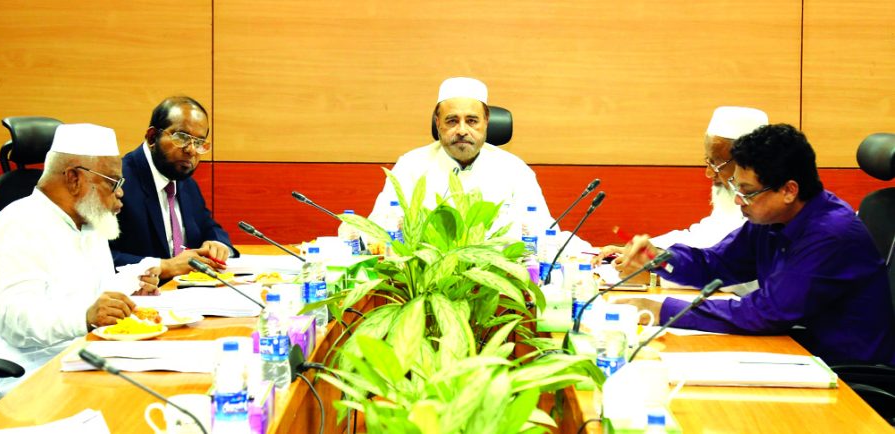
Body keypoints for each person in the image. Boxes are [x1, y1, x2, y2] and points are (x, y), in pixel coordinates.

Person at [615, 124, 895, 365]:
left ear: (788, 190)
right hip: (803, 351)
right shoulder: (772, 219)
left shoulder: (831, 234)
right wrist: (660, 258)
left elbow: (766, 313)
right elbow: (717, 264)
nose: (738, 200)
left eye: (747, 192)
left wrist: (662, 310)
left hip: (850, 371)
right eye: (736, 188)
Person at [0, 124, 160, 402]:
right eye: (112, 182)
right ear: (74, 178)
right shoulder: (18, 225)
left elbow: (91, 295)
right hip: (20, 382)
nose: (121, 193)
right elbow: (17, 320)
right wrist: (85, 317)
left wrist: (132, 285)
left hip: (79, 363)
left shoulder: (90, 223)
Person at [369, 77, 589, 251]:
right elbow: (376, 231)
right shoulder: (411, 166)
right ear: (438, 124)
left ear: (486, 122)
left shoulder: (515, 170)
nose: (462, 130)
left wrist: (584, 251)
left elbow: (544, 233)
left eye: (472, 121)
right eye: (452, 121)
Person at [598, 106, 767, 295]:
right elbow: (701, 237)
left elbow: (741, 277)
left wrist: (655, 276)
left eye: (717, 163)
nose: (709, 172)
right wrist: (646, 253)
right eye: (708, 161)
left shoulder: (767, 212)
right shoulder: (734, 200)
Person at [111, 96, 237, 280]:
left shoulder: (184, 182)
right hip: (136, 299)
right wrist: (164, 267)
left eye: (199, 142)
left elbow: (209, 226)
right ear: (152, 137)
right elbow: (97, 258)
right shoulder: (116, 182)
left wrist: (217, 244)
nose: (191, 150)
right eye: (182, 137)